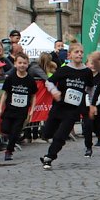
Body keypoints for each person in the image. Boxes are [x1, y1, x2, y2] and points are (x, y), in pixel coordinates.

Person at [39, 42, 93, 170]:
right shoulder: (64, 70)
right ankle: (47, 136)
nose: (79, 54)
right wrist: (54, 91)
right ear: (69, 55)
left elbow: (90, 88)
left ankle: (49, 157)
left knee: (61, 136)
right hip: (59, 106)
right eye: (76, 52)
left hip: (73, 110)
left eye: (81, 52)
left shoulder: (87, 72)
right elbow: (49, 82)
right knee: (47, 133)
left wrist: (91, 103)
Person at [0, 52, 37, 161]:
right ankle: (13, 137)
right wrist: (0, 108)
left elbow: (33, 96)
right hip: (10, 109)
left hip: (22, 111)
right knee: (5, 128)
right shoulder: (10, 78)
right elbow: (5, 94)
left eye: (24, 63)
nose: (22, 65)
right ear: (15, 64)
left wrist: (31, 110)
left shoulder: (30, 80)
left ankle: (9, 151)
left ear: (27, 64)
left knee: (15, 132)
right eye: (20, 63)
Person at [81, 52, 100, 156]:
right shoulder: (84, 75)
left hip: (99, 105)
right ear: (86, 64)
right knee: (87, 125)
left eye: (95, 63)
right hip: (86, 105)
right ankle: (88, 147)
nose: (93, 65)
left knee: (98, 124)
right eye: (91, 63)